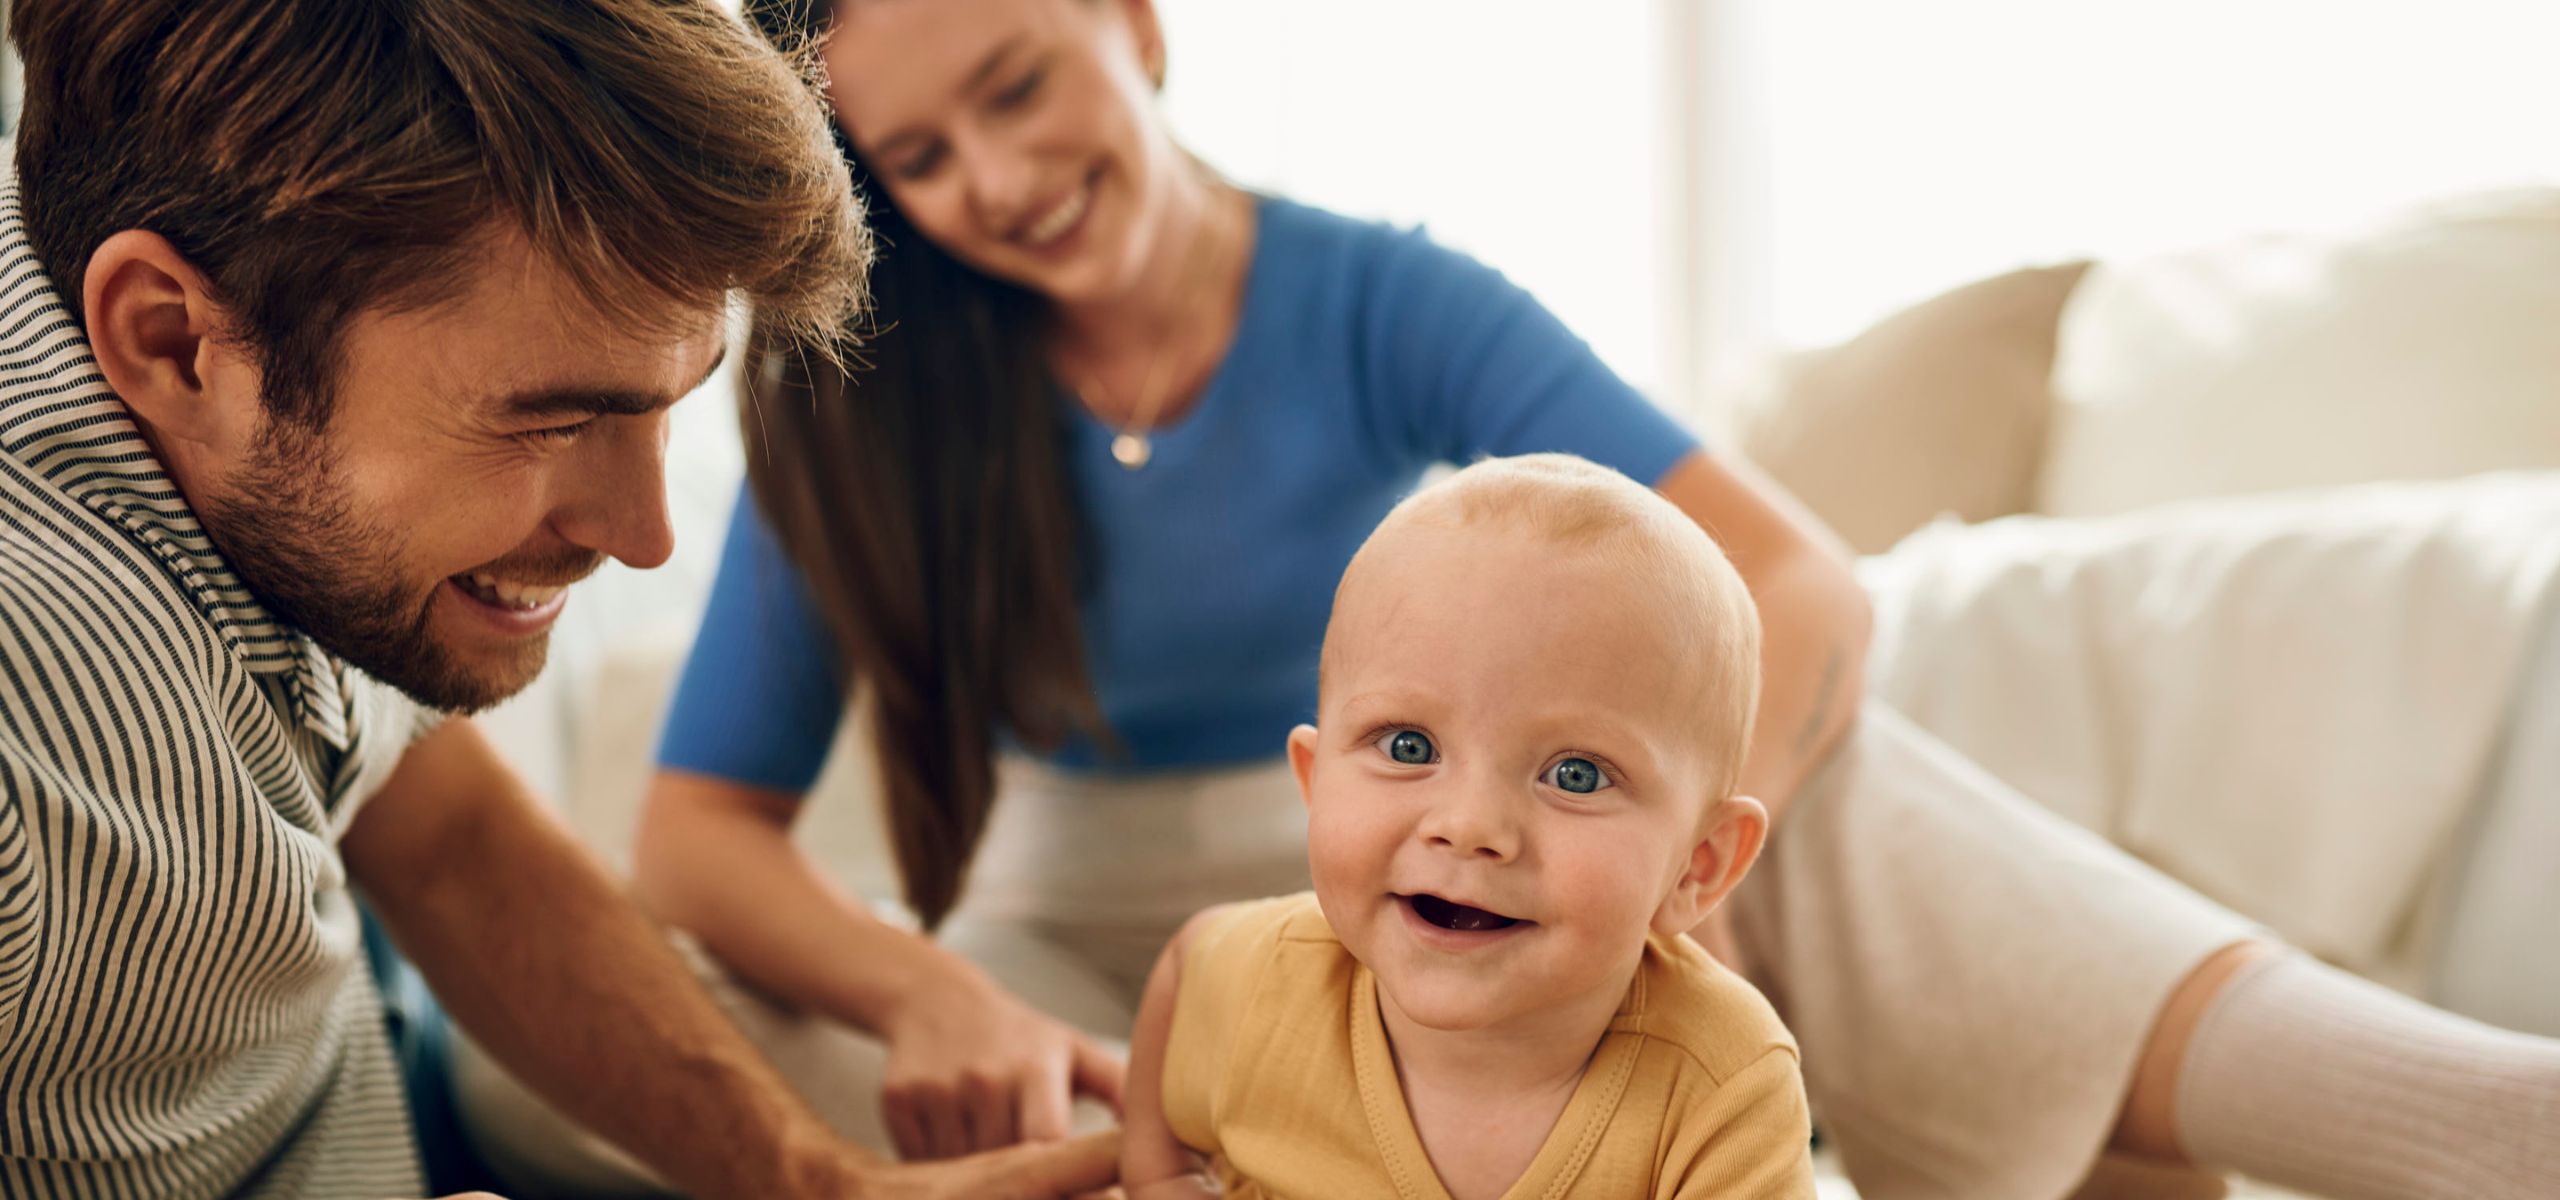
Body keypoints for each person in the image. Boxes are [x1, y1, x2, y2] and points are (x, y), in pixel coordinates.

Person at [468, 1, 2559, 1198]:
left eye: (1014, 85)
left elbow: (1788, 576)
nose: (991, 184)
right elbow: (692, 835)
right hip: (1099, 938)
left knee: (1792, 781)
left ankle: (2477, 1118)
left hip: (1451, 846)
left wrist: (1669, 865)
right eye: (917, 160)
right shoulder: (880, 393)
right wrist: (928, 991)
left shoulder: (1378, 296)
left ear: (1130, 24)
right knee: (647, 1047)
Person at [0, 2, 1115, 1198]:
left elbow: (440, 828)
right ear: (170, 342)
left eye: (665, 403)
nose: (644, 537)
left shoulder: (252, 416)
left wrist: (820, 1183)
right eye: (556, 419)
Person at [1118, 456, 1814, 1199]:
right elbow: (1187, 964)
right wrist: (1158, 1175)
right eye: (1407, 747)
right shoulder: (1262, 986)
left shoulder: (1721, 1084)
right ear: (1314, 783)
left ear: (1697, 866)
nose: (1470, 826)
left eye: (1575, 774)